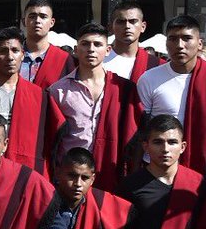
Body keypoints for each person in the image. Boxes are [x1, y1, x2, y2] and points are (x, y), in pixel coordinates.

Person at [136, 15, 206, 182]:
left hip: (203, 165)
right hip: (159, 167)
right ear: (166, 43)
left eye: (187, 38)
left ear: (200, 43)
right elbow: (141, 128)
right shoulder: (149, 79)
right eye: (173, 39)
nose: (179, 45)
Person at [48, 23, 142, 190]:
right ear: (76, 50)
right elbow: (51, 139)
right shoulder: (58, 91)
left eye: (97, 44)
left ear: (107, 50)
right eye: (85, 44)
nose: (91, 49)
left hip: (109, 169)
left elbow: (133, 134)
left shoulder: (122, 89)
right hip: (70, 174)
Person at [0, 28, 64, 175]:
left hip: (24, 169)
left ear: (22, 55)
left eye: (15, 50)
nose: (10, 57)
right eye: (3, 51)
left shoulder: (39, 95)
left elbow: (54, 134)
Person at [20, 0, 74, 88]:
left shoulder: (63, 58)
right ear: (24, 21)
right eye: (32, 16)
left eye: (43, 17)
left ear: (52, 22)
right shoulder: (12, 55)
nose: (37, 21)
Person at [103, 2, 162, 82]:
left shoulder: (156, 64)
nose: (127, 26)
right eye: (121, 22)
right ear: (110, 27)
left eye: (133, 21)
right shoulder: (98, 60)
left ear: (143, 27)